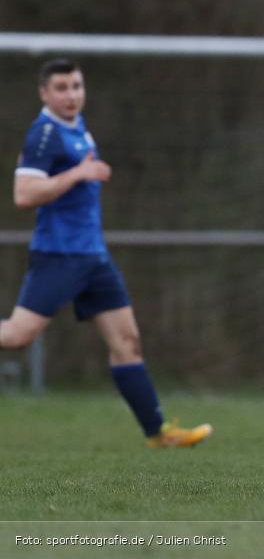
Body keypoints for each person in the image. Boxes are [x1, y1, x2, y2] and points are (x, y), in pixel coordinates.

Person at [0, 58, 212, 449]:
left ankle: (158, 433)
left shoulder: (75, 126)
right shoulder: (44, 133)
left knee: (127, 342)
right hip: (59, 255)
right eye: (61, 88)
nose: (71, 94)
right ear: (44, 93)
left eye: (76, 86)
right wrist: (76, 175)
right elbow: (24, 195)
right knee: (16, 337)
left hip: (93, 258)